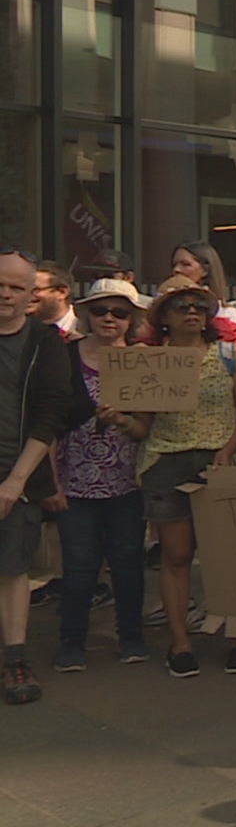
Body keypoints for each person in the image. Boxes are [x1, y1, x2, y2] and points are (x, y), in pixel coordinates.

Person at [144, 275, 236, 678]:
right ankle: (181, 642)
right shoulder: (149, 360)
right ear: (164, 318)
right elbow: (142, 423)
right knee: (176, 556)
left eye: (198, 304)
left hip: (220, 461)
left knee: (225, 554)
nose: (191, 310)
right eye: (181, 305)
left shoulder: (227, 354)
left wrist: (228, 451)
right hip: (167, 460)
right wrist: (120, 420)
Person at [51, 281, 150, 675]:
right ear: (87, 314)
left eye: (120, 312)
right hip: (72, 481)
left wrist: (123, 420)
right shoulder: (64, 357)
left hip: (126, 483)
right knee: (79, 566)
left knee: (128, 562)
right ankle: (71, 641)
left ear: (132, 319)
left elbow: (144, 429)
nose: (110, 318)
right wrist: (50, 482)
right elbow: (48, 423)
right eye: (101, 311)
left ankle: (131, 636)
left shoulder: (142, 361)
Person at [0, 250, 72, 703]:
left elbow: (51, 416)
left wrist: (16, 481)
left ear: (31, 296)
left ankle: (16, 662)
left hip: (16, 473)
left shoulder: (43, 343)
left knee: (12, 571)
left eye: (15, 287)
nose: (4, 294)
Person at [170, 242, 236, 331]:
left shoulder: (230, 315)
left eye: (185, 264)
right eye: (174, 265)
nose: (176, 270)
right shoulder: (165, 312)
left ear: (205, 270)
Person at [31, 262, 78, 337]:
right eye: (24, 289)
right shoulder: (18, 327)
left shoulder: (88, 327)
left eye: (35, 290)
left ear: (62, 292)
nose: (27, 295)